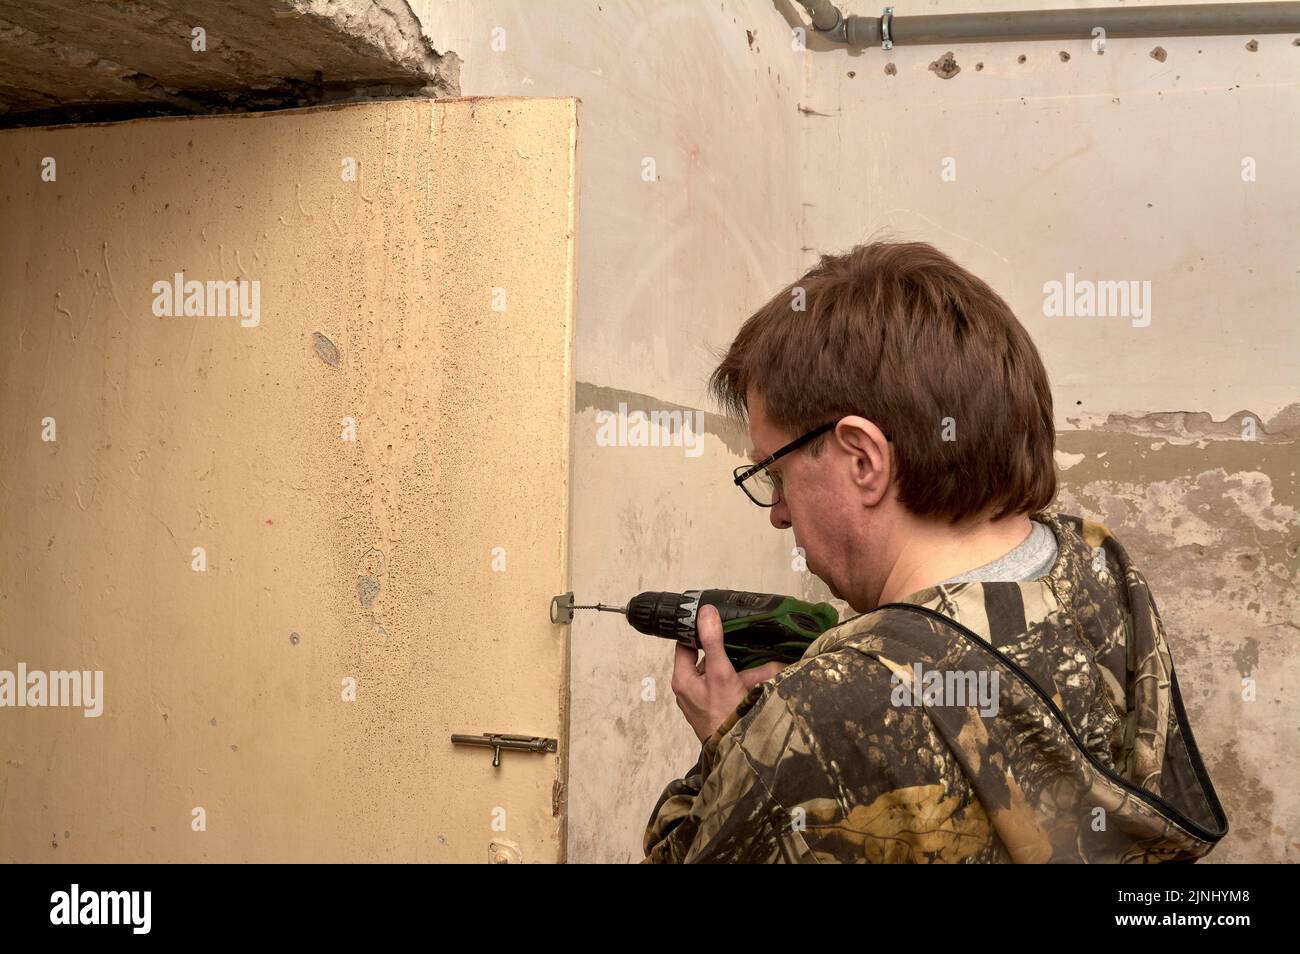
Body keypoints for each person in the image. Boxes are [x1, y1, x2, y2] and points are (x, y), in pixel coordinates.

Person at [642, 241, 1227, 863]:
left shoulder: (818, 720)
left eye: (774, 473)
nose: (779, 513)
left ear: (863, 460)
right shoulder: (1093, 560)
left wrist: (735, 739)